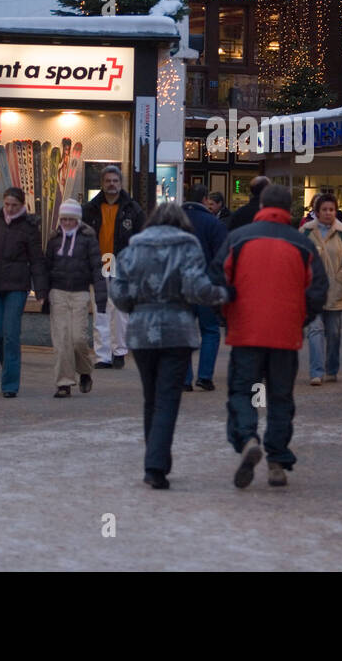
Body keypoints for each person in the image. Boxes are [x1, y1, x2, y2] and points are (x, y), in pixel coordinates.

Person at [110, 201, 233, 489]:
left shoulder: (134, 247)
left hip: (142, 332)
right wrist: (224, 294)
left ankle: (154, 461)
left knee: (151, 398)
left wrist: (136, 306)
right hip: (177, 330)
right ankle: (155, 466)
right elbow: (196, 289)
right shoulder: (188, 245)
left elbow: (119, 291)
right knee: (167, 399)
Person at [215, 183, 327, 489]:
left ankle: (248, 437)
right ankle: (277, 459)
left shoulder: (237, 239)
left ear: (262, 204)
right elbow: (318, 289)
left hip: (246, 332)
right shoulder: (302, 244)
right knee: (280, 397)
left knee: (243, 391)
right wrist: (301, 319)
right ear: (289, 209)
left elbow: (216, 282)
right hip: (285, 335)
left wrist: (227, 316)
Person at [0, 187, 47, 398]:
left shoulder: (29, 227)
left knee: (11, 334)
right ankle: (9, 367)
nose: (10, 209)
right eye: (7, 204)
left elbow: (37, 260)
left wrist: (41, 290)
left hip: (17, 286)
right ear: (3, 203)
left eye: (15, 205)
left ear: (22, 206)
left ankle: (10, 384)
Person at [83, 165, 145, 369]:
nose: (112, 184)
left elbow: (141, 239)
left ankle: (119, 351)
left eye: (115, 181)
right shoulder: (90, 209)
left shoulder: (133, 209)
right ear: (102, 183)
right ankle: (102, 356)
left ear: (121, 183)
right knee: (100, 310)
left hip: (121, 263)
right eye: (108, 181)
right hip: (99, 261)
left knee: (119, 310)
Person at [43, 199, 105, 398]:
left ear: (78, 220)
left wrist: (101, 297)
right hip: (58, 293)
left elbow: (97, 268)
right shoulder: (53, 239)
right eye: (64, 219)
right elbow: (46, 267)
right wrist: (42, 294)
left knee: (78, 339)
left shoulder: (88, 239)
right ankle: (64, 383)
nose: (67, 223)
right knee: (62, 341)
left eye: (71, 219)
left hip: (80, 293)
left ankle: (85, 370)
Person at [298, 193, 342, 385]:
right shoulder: (306, 231)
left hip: (335, 291)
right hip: (313, 291)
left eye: (331, 209)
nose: (328, 213)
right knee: (315, 330)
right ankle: (317, 372)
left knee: (333, 332)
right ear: (317, 212)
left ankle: (332, 368)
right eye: (324, 209)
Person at [181, 184, 228, 391]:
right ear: (204, 199)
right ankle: (205, 376)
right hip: (206, 283)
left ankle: (184, 379)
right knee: (210, 330)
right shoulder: (212, 223)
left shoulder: (174, 221)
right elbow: (222, 256)